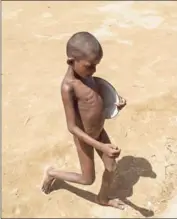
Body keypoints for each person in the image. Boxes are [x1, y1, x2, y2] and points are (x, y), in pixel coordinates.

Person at [41, 31, 126, 208]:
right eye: (89, 66)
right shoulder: (68, 87)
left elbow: (97, 100)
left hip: (99, 131)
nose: (94, 70)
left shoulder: (88, 78)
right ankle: (53, 173)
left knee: (112, 167)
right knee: (88, 179)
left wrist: (115, 105)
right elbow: (72, 127)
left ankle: (102, 198)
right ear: (71, 62)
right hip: (84, 139)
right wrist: (101, 146)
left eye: (96, 65)